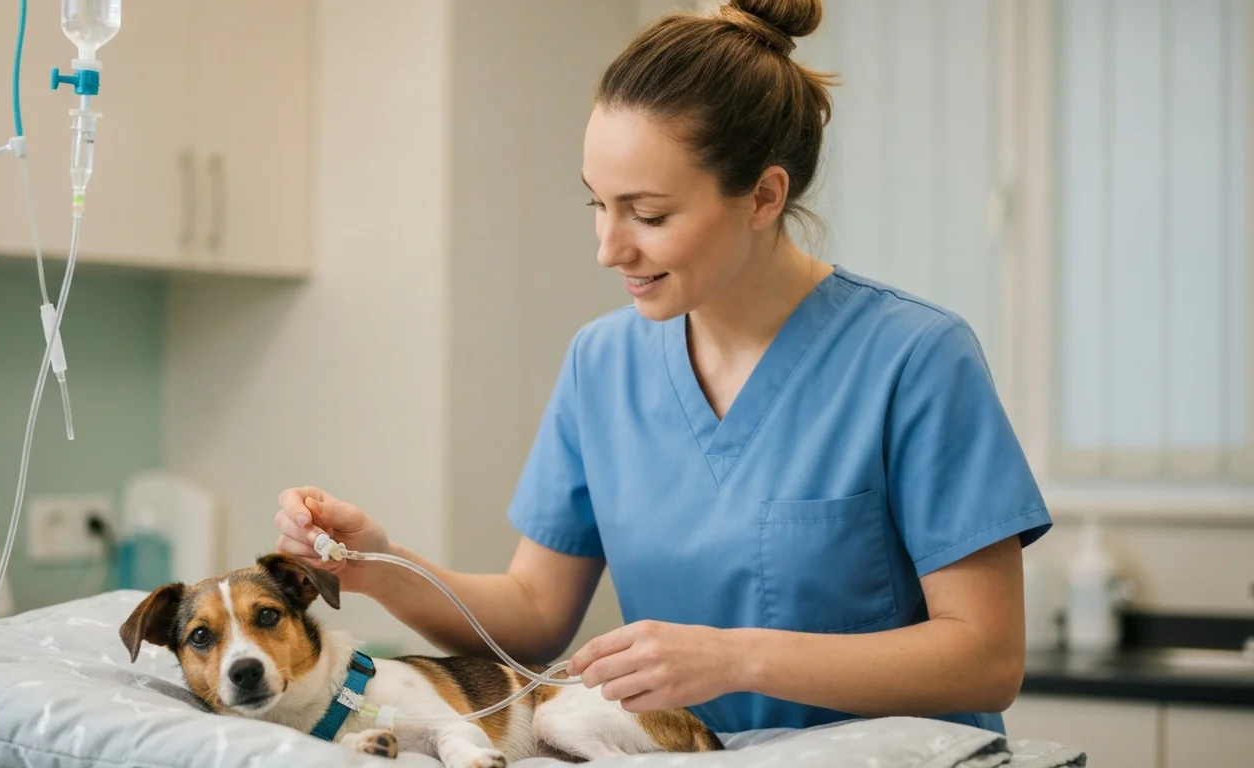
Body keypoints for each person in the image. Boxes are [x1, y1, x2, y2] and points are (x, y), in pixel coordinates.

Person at [274, 0, 1049, 738]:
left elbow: (986, 658)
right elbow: (533, 616)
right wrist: (378, 564)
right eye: (598, 206)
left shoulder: (913, 358)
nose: (610, 249)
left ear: (763, 196)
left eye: (648, 215)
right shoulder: (602, 364)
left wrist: (736, 657)